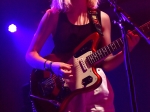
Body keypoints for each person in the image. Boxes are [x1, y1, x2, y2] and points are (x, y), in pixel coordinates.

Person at [25, 0, 140, 112]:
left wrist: (126, 50)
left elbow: (107, 63)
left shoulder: (101, 17)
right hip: (66, 90)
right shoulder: (53, 15)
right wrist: (52, 66)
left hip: (95, 87)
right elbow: (30, 54)